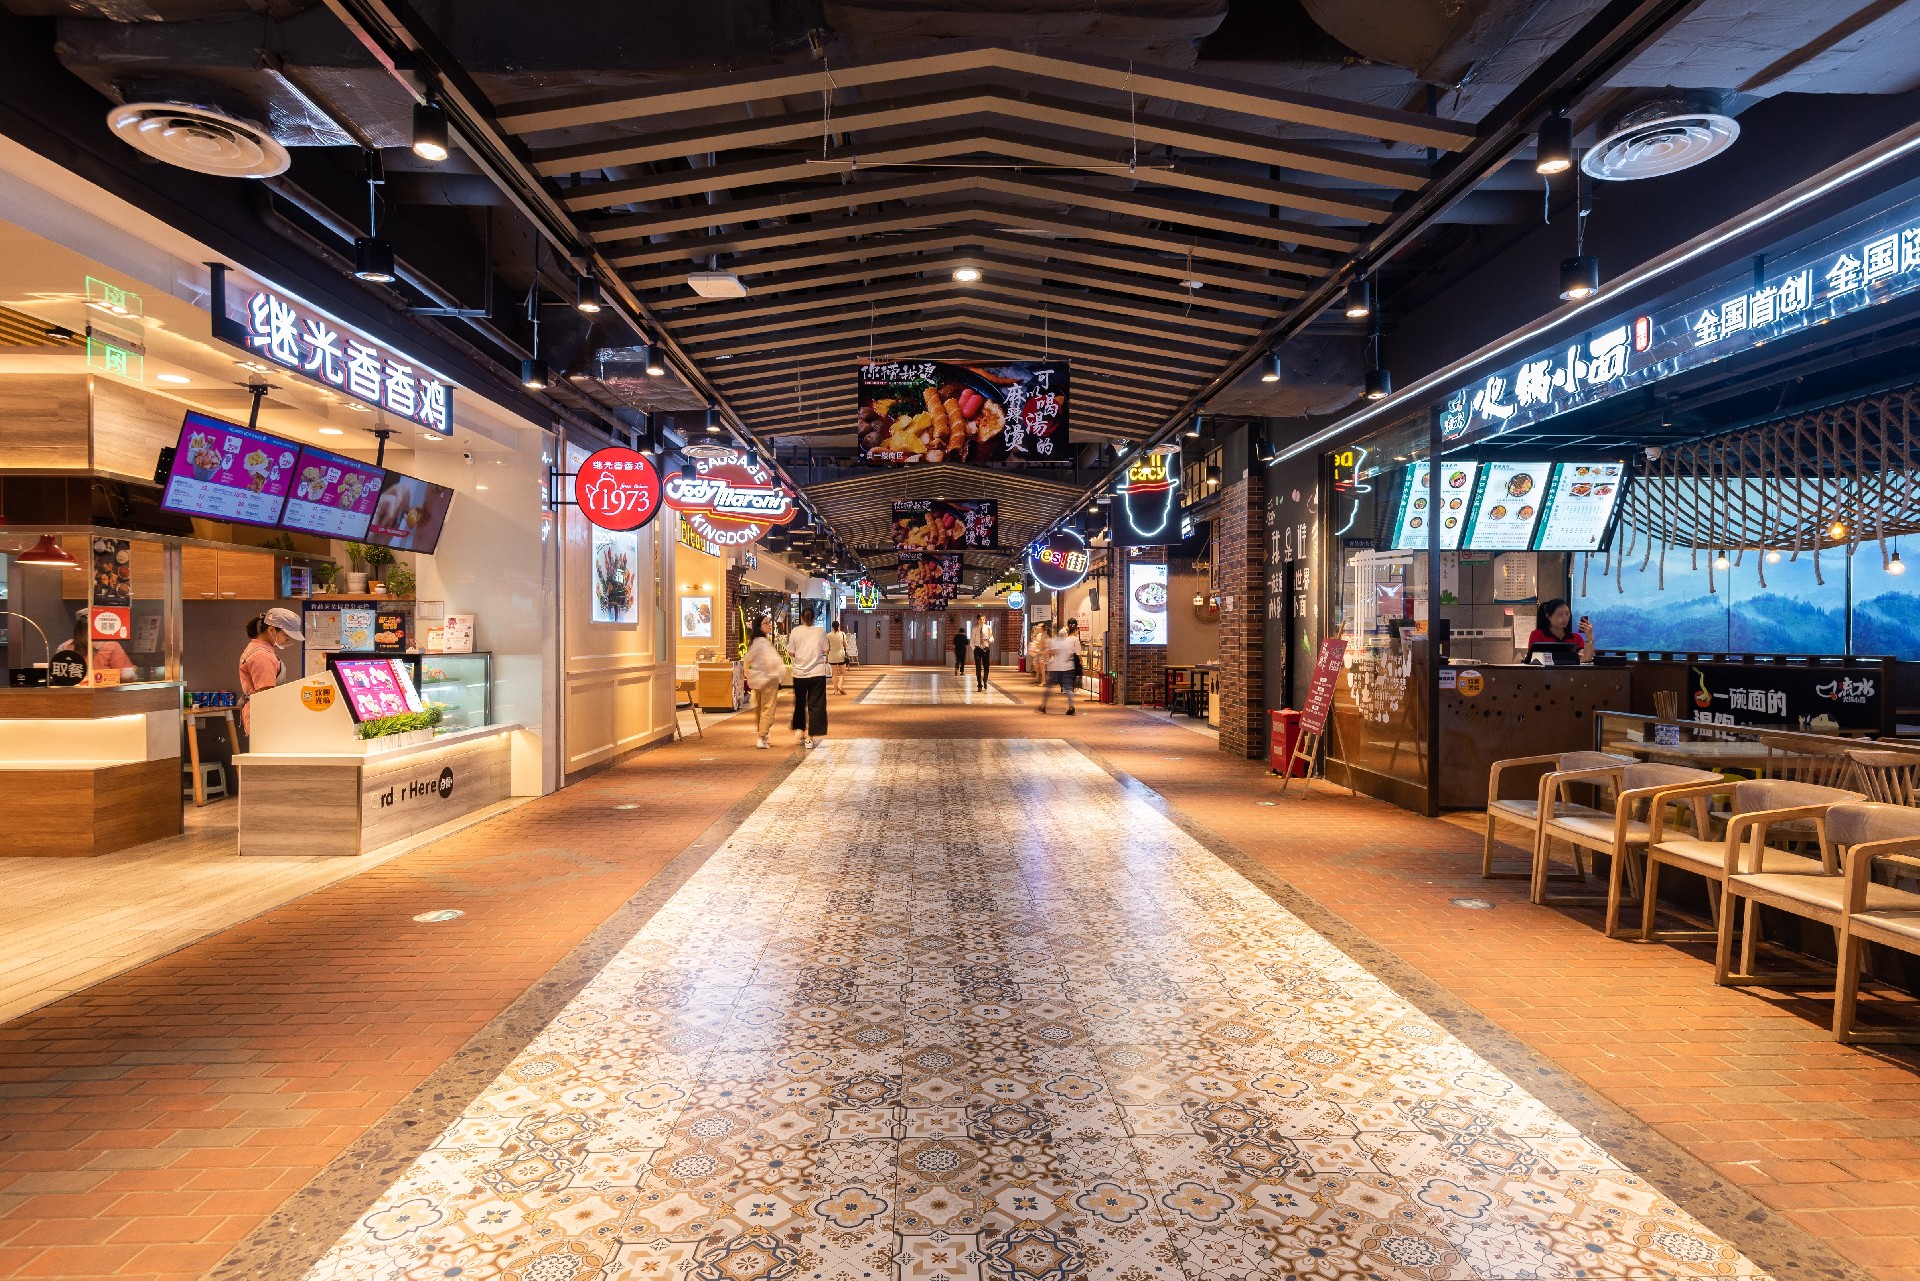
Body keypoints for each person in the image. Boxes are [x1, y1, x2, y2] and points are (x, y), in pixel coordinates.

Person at [239, 606, 303, 734]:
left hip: (260, 715)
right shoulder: (262, 656)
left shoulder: (257, 648)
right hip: (264, 718)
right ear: (271, 630)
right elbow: (266, 696)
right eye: (286, 635)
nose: (288, 639)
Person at [787, 603, 829, 748]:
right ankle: (810, 738)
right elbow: (825, 649)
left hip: (799, 674)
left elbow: (791, 652)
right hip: (817, 673)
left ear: (801, 618)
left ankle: (800, 729)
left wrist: (801, 654)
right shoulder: (820, 631)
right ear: (814, 617)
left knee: (799, 702)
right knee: (816, 705)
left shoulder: (795, 631)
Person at [744, 615, 785, 749]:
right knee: (768, 709)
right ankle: (762, 736)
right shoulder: (764, 643)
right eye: (766, 623)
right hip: (769, 680)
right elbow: (772, 662)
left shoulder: (755, 642)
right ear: (759, 627)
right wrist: (779, 673)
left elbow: (747, 660)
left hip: (758, 681)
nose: (769, 625)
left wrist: (750, 674)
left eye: (769, 622)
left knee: (760, 709)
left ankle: (762, 734)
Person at [1528, 598, 1595, 663]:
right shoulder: (1537, 635)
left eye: (1567, 613)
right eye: (1560, 614)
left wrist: (1589, 636)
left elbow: (1586, 658)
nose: (1565, 618)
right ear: (1548, 616)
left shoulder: (1575, 637)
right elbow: (1534, 659)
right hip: (1546, 670)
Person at [1037, 618, 1082, 715]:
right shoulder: (1068, 641)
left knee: (1049, 687)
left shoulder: (1056, 641)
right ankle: (1071, 707)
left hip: (1056, 668)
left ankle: (1043, 706)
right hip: (1068, 667)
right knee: (1068, 688)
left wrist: (1046, 652)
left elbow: (1053, 652)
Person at [972, 613, 995, 690]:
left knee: (986, 666)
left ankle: (985, 680)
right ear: (977, 620)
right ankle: (979, 685)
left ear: (985, 620)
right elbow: (972, 640)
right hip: (977, 649)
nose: (982, 621)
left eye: (983, 619)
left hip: (985, 649)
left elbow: (992, 638)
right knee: (978, 667)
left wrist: (989, 640)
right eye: (980, 619)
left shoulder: (988, 628)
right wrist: (974, 648)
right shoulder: (974, 629)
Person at [827, 619, 850, 694]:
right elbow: (846, 645)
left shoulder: (828, 635)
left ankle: (836, 691)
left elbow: (827, 648)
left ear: (832, 627)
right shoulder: (842, 634)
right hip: (841, 655)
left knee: (834, 674)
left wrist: (826, 658)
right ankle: (839, 686)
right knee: (842, 673)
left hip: (832, 655)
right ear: (838, 626)